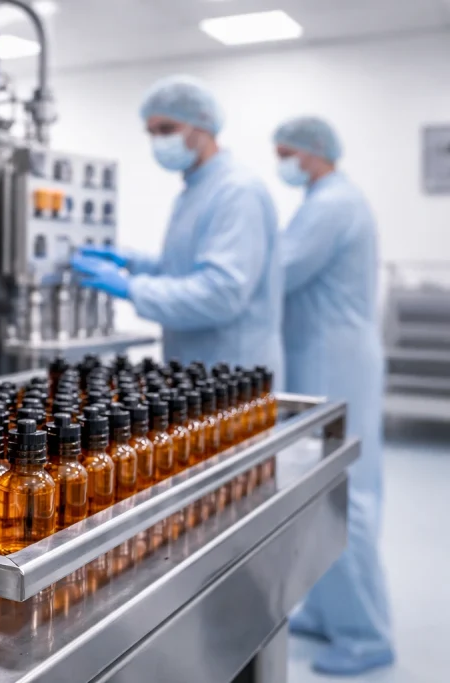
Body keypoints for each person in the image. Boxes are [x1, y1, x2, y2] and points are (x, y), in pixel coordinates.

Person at [274, 116, 394, 675]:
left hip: (334, 359)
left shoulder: (331, 205)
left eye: (286, 152)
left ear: (312, 152)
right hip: (331, 354)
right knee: (326, 489)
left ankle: (367, 636)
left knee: (345, 492)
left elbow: (281, 271)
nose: (283, 161)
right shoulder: (327, 198)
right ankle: (327, 612)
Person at [71, 75, 283, 377]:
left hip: (233, 371)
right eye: (152, 132)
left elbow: (221, 294)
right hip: (194, 369)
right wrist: (133, 262)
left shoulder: (237, 191)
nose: (158, 140)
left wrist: (131, 287)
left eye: (167, 129)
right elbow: (183, 269)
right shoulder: (194, 190)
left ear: (203, 125)